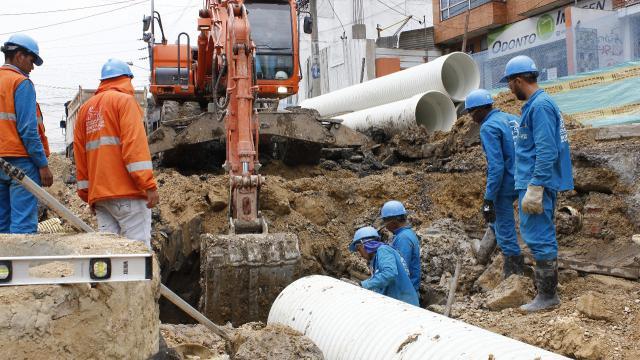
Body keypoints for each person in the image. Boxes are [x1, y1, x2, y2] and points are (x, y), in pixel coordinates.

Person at [501, 55, 573, 312]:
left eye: (509, 84)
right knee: (537, 234)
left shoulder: (540, 106)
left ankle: (548, 296)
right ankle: (546, 292)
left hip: (536, 183)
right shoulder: (536, 105)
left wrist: (536, 186)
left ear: (519, 80)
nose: (509, 89)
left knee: (538, 236)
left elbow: (546, 151)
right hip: (532, 181)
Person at [74, 59, 159, 248]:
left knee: (108, 257)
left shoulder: (85, 110)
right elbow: (134, 150)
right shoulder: (125, 102)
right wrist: (149, 185)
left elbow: (80, 158)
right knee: (137, 253)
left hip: (101, 197)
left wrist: (87, 194)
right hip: (128, 194)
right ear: (127, 79)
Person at [465, 89, 522, 278]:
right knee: (524, 225)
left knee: (505, 228)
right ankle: (486, 255)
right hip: (525, 178)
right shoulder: (513, 118)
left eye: (471, 112)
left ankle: (513, 274)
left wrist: (489, 199)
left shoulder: (488, 127)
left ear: (480, 110)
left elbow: (496, 167)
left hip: (506, 183)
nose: (471, 118)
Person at [0, 33, 53, 234]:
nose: (32, 68)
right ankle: (23, 266)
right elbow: (28, 131)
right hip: (21, 162)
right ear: (20, 56)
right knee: (23, 226)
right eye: (31, 61)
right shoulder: (21, 83)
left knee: (1, 226)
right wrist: (42, 165)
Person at [348, 226, 419, 306]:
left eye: (359, 249)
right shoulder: (377, 258)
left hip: (405, 304)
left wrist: (363, 285)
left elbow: (389, 273)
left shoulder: (383, 251)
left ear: (364, 244)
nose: (360, 254)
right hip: (399, 303)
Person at [379, 200, 421, 293]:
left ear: (393, 222)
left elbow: (400, 269)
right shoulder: (405, 234)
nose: (385, 226)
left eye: (385, 222)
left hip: (405, 294)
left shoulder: (403, 238)